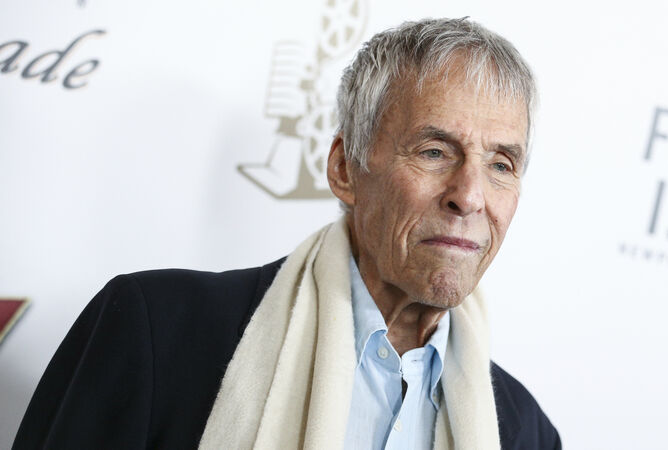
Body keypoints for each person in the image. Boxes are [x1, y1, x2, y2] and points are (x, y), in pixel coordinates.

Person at [14, 18, 560, 450]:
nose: (470, 196)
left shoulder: (524, 433)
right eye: (434, 151)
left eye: (501, 164)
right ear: (344, 169)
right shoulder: (157, 334)